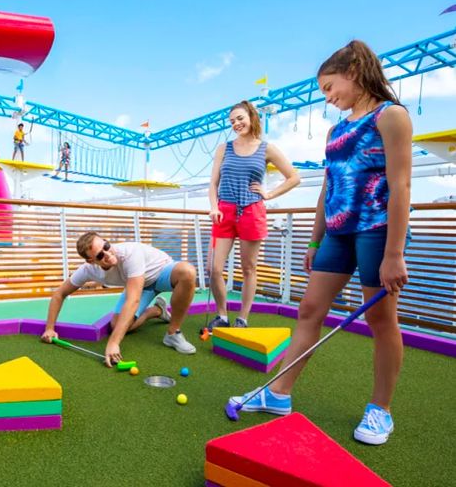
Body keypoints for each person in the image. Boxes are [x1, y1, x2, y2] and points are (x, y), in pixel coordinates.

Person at [228, 40, 412, 446]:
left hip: (377, 231)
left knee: (380, 321)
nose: (328, 98)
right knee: (309, 308)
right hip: (338, 233)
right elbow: (328, 188)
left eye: (330, 87)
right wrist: (314, 242)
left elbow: (400, 185)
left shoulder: (391, 116)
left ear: (355, 71)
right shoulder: (337, 129)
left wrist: (394, 253)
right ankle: (278, 393)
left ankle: (381, 409)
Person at [206, 100, 299, 329]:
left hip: (252, 210)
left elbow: (294, 177)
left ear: (251, 117)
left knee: (249, 268)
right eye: (232, 121)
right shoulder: (224, 148)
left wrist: (269, 194)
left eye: (240, 118)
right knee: (214, 268)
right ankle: (223, 315)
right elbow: (213, 184)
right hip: (224, 211)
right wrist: (214, 207)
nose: (236, 123)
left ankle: (242, 318)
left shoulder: (266, 148)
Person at [41, 231, 198, 366]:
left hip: (162, 273)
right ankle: (157, 311)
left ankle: (172, 333)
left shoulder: (129, 253)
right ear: (91, 261)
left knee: (187, 272)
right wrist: (49, 328)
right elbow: (59, 294)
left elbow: (133, 301)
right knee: (117, 325)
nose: (108, 254)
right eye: (100, 255)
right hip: (139, 285)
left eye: (106, 246)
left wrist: (113, 343)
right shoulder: (87, 270)